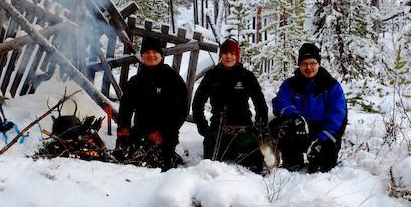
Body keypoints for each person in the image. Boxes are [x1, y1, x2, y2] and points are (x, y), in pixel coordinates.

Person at [191, 38, 269, 172]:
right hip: (218, 130)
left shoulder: (246, 76)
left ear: (237, 56)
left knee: (255, 165)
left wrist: (259, 126)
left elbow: (260, 102)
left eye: (232, 54)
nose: (229, 57)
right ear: (221, 55)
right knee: (212, 165)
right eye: (225, 53)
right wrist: (203, 127)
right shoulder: (212, 75)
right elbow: (198, 102)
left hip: (243, 130)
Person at [271, 43, 346, 172]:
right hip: (300, 129)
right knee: (278, 124)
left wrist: (321, 140)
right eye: (304, 63)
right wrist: (294, 116)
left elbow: (338, 116)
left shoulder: (331, 86)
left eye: (312, 63)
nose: (309, 67)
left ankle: (319, 158)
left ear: (319, 63)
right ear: (299, 65)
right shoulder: (290, 84)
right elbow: (280, 102)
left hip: (324, 132)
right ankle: (292, 160)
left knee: (320, 169)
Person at [115, 36, 188, 170]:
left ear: (161, 55)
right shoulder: (135, 81)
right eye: (147, 52)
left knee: (158, 164)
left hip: (165, 133)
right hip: (140, 132)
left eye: (154, 52)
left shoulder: (173, 79)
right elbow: (125, 110)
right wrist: (123, 133)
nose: (151, 55)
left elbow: (181, 111)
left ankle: (173, 157)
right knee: (125, 159)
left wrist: (163, 134)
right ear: (142, 56)